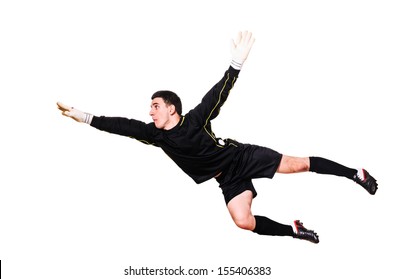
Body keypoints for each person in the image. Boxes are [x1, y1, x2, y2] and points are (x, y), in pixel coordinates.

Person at [57, 31, 378, 244]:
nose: (150, 111)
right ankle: (295, 231)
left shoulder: (196, 119)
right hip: (227, 179)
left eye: (155, 106)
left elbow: (219, 93)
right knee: (243, 221)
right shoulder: (155, 136)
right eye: (150, 107)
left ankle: (355, 174)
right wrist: (83, 116)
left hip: (243, 157)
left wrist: (237, 62)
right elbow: (121, 125)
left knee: (299, 165)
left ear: (172, 108)